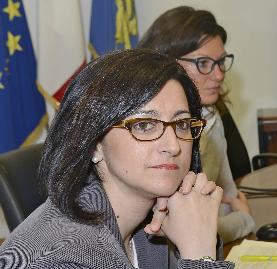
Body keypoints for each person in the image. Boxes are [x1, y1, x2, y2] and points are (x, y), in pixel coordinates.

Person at [0, 49, 234, 269]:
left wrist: (199, 235)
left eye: (182, 124)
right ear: (94, 145)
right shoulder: (62, 259)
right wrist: (200, 254)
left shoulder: (153, 217)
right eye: (144, 126)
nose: (173, 146)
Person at [138, 6, 255, 243]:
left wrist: (230, 214)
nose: (219, 75)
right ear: (166, 63)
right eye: (203, 63)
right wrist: (243, 220)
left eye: (221, 62)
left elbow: (228, 196)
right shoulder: (153, 134)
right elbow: (180, 234)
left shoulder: (210, 115)